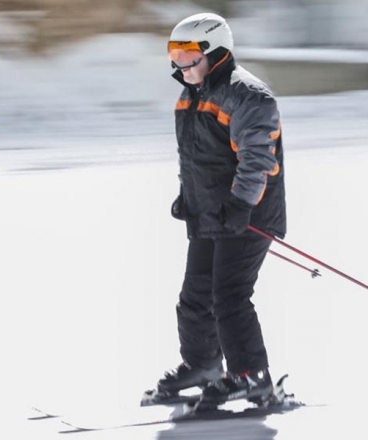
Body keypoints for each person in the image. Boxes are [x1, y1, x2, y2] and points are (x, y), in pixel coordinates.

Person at [155, 12, 287, 406]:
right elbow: (194, 158)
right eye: (174, 55)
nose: (179, 65)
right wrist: (189, 197)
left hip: (249, 213)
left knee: (229, 295)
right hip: (209, 214)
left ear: (215, 51)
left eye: (188, 55)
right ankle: (203, 365)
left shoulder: (248, 95)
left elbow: (257, 159)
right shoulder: (191, 95)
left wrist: (241, 204)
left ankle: (252, 376)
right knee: (195, 296)